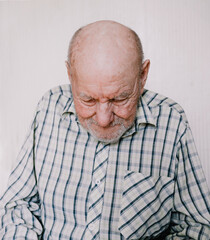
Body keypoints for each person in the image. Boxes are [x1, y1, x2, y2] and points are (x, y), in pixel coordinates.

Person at [0, 20, 209, 240]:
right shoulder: (48, 108)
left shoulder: (171, 123)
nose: (103, 120)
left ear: (143, 75)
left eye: (119, 99)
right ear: (70, 75)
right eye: (88, 99)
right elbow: (18, 204)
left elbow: (196, 228)